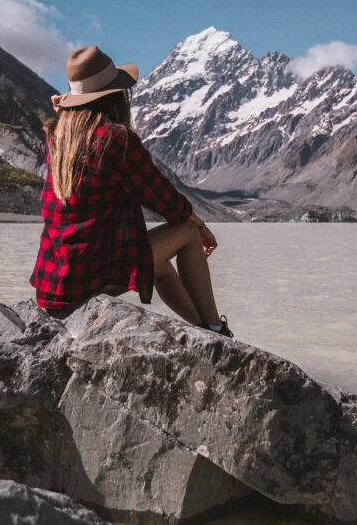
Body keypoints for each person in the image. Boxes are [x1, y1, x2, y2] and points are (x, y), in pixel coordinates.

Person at [30, 45, 232, 336]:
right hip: (86, 281)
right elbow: (165, 200)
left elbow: (73, 126)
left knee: (159, 267)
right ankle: (218, 330)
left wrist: (66, 108)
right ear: (116, 97)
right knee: (186, 233)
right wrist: (199, 226)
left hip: (53, 287)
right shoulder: (114, 139)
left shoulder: (57, 137)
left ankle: (204, 330)